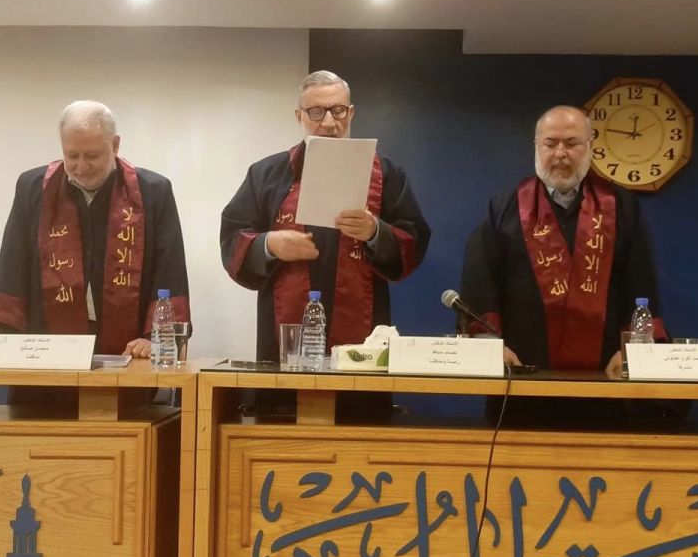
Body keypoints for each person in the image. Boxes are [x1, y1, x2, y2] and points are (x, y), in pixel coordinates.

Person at [220, 70, 430, 362]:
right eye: (317, 112)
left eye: (338, 110)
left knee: (356, 386)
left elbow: (414, 238)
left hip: (363, 328)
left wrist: (375, 232)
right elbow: (232, 237)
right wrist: (269, 245)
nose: (329, 123)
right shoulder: (267, 174)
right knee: (286, 387)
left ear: (351, 112)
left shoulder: (386, 173)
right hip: (283, 330)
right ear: (299, 116)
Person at [459, 104, 663, 378]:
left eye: (571, 143)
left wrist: (632, 350)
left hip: (606, 372)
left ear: (590, 145)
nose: (560, 153)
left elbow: (641, 281)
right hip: (519, 369)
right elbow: (479, 281)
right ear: (536, 146)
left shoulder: (621, 207)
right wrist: (489, 345)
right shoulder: (504, 208)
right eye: (550, 143)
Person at [0, 100, 190, 357]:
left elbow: (169, 269)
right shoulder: (35, 188)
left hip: (129, 349)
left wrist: (158, 338)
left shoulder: (152, 192)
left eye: (92, 156)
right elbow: (13, 264)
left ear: (115, 145)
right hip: (46, 347)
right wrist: (4, 338)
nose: (81, 167)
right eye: (72, 156)